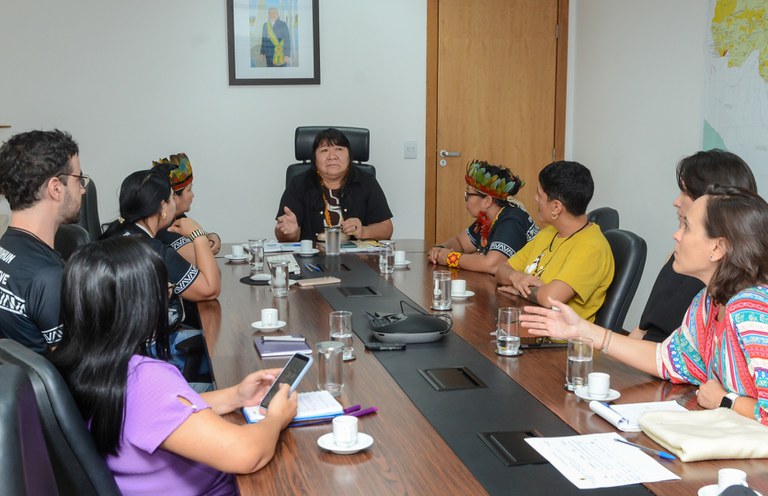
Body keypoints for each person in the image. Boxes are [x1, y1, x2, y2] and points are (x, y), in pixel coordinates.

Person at [50, 237, 298, 495]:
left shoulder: (78, 363)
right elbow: (246, 454)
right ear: (140, 305)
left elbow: (151, 417)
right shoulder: (143, 378)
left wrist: (236, 395)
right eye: (164, 292)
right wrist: (277, 417)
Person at [522, 186, 768, 425]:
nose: (676, 235)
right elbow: (667, 359)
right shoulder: (708, 302)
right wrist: (583, 330)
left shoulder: (751, 311)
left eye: (686, 227)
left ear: (717, 248)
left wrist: (726, 402)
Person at [630, 149, 757, 342]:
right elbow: (642, 330)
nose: (676, 202)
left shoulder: (737, 302)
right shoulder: (678, 257)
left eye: (686, 193)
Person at [495, 160, 614, 322]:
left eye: (539, 195)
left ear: (556, 207)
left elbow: (550, 299)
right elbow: (502, 270)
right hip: (529, 321)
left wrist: (521, 289)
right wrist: (516, 278)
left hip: (559, 341)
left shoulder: (592, 248)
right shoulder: (549, 233)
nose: (535, 199)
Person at [0, 129, 85, 353]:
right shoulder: (50, 278)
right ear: (56, 188)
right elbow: (81, 370)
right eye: (79, 179)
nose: (83, 189)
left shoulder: (4, 249)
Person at [100, 165, 220, 302]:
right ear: (163, 206)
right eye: (171, 197)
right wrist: (198, 235)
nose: (174, 203)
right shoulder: (154, 252)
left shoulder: (118, 232)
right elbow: (210, 290)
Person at [275, 128, 394, 242]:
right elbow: (281, 234)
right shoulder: (299, 184)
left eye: (339, 149)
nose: (332, 156)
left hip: (357, 258)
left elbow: (386, 228)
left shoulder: (366, 182)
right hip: (310, 259)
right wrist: (289, 232)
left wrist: (363, 231)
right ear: (314, 158)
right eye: (324, 150)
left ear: (349, 156)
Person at [427, 160, 538, 274]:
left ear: (487, 200)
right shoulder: (488, 219)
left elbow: (492, 264)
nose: (466, 199)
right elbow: (460, 242)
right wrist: (441, 249)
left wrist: (450, 258)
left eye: (468, 194)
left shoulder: (512, 220)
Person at [153, 152, 222, 264]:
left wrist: (213, 236)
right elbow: (202, 259)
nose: (193, 195)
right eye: (189, 190)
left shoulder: (177, 218)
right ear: (174, 196)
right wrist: (206, 242)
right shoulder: (164, 228)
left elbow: (205, 240)